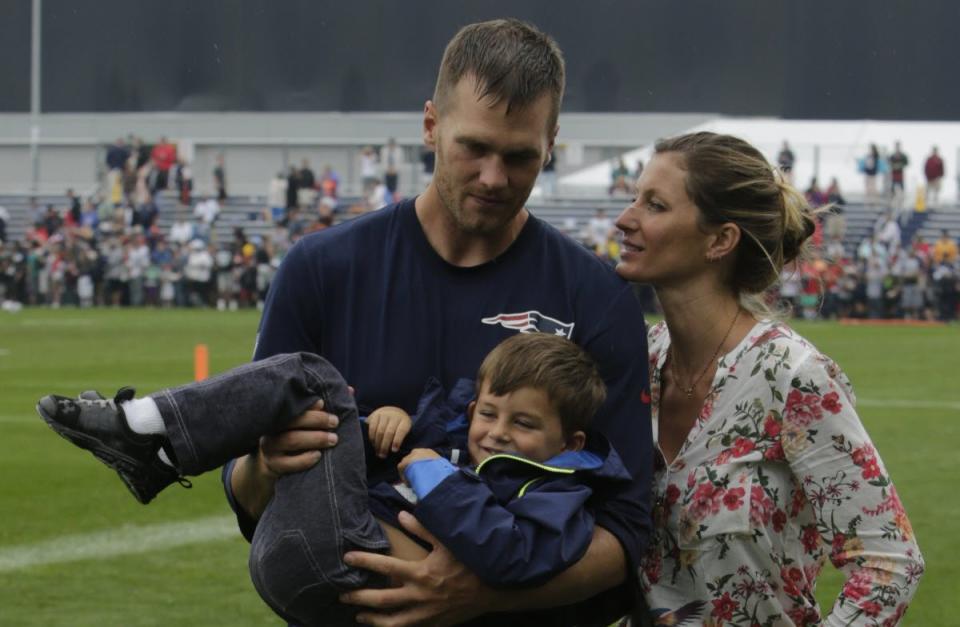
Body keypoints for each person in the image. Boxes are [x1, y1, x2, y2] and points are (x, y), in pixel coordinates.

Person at [227, 18, 652, 627]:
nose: (493, 178)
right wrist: (265, 463)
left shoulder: (595, 297)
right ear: (431, 125)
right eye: (473, 148)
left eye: (520, 157)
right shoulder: (321, 270)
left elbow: (627, 529)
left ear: (551, 144)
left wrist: (480, 595)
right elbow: (250, 501)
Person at [36, 334, 628, 627]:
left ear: (571, 442)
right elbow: (378, 461)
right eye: (488, 414)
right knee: (325, 401)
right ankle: (154, 439)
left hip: (347, 566)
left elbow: (509, 554)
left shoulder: (560, 491)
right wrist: (379, 427)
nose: (496, 433)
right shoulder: (451, 441)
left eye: (523, 423)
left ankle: (151, 439)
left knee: (315, 379)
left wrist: (428, 468)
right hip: (301, 545)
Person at [614, 131, 923, 625]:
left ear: (720, 240)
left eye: (654, 205)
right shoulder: (637, 361)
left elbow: (890, 565)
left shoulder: (791, 376)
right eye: (634, 198)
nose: (624, 218)